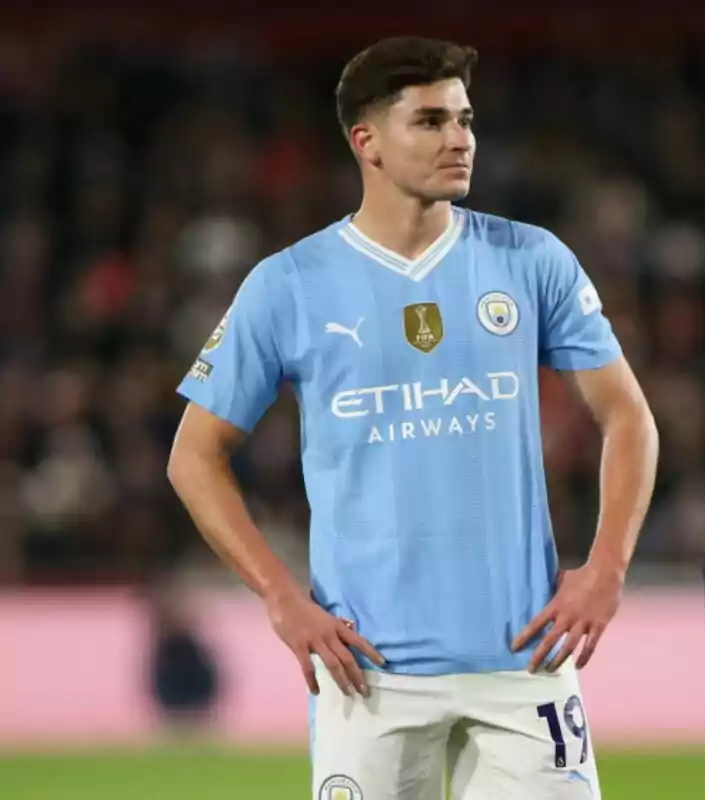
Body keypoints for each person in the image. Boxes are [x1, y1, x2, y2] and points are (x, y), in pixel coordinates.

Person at [167, 36, 658, 800]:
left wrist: (608, 569)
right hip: (370, 677)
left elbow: (628, 415)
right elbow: (193, 455)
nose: (459, 138)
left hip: (522, 667)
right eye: (430, 121)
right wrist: (280, 595)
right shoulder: (288, 285)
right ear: (366, 141)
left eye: (465, 119)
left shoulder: (532, 261)